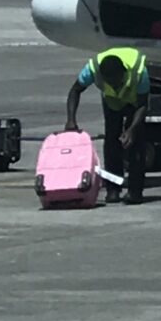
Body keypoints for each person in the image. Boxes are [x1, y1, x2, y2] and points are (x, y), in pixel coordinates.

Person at [65, 47, 153, 205]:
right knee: (112, 141)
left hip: (135, 103)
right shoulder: (92, 70)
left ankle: (135, 191)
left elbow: (143, 105)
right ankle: (113, 189)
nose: (114, 84)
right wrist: (71, 120)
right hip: (112, 102)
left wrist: (131, 130)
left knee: (136, 143)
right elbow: (75, 90)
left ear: (124, 73)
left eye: (116, 81)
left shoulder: (139, 72)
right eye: (109, 81)